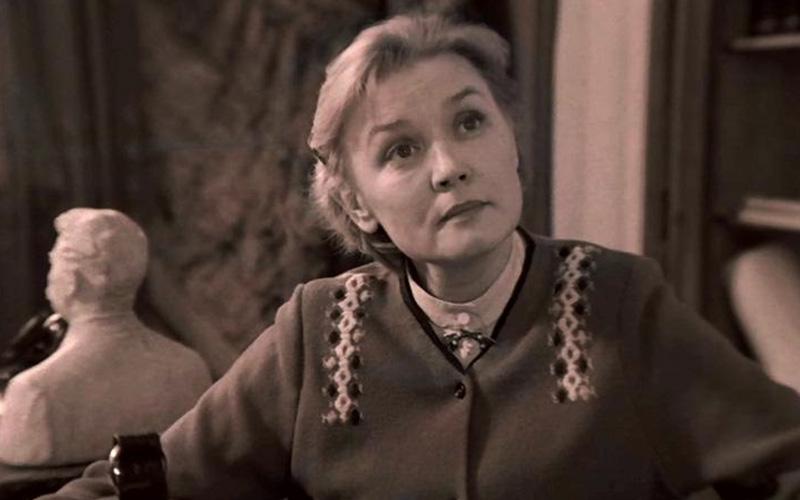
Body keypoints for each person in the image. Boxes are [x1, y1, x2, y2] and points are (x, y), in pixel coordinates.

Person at [41, 14, 800, 499]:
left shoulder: (618, 301)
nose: (450, 167)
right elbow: (150, 481)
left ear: (511, 143)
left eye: (470, 124)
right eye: (401, 149)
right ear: (357, 204)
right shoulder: (318, 329)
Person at [0, 208, 212, 467]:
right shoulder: (191, 369)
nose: (50, 275)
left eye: (53, 263)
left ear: (72, 280)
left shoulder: (34, 393)